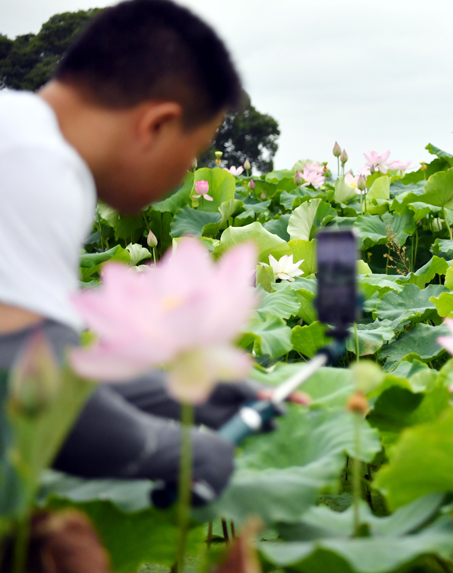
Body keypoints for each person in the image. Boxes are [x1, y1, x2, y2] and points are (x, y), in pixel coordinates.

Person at [0, 0, 268, 505]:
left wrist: (182, 396)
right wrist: (176, 450)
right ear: (156, 125)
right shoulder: (37, 167)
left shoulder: (18, 134)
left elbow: (41, 365)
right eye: (192, 153)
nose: (188, 172)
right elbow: (19, 379)